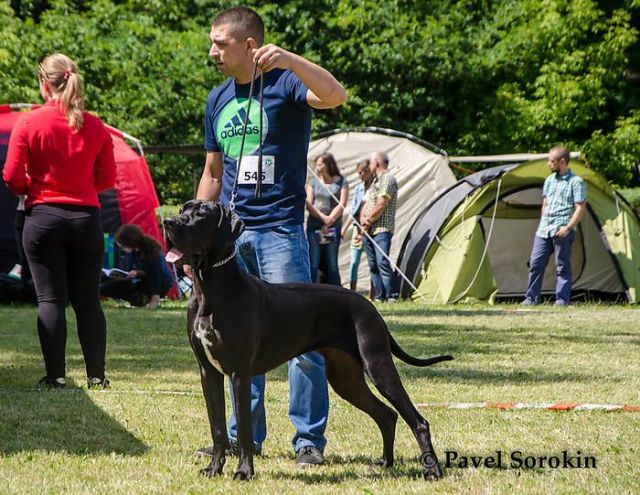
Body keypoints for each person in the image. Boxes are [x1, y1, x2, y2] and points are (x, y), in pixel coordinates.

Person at [193, 6, 346, 465]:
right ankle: (243, 439)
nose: (212, 51)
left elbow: (335, 95)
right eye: (212, 42)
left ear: (249, 45)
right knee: (235, 340)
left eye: (220, 43)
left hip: (280, 230)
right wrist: (195, 239)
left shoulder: (286, 84)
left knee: (303, 342)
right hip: (230, 241)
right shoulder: (217, 99)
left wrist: (291, 59)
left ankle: (308, 441)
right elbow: (212, 174)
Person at [3, 53, 116, 389]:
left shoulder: (29, 123)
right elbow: (107, 178)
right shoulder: (94, 125)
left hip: (43, 218)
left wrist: (32, 186)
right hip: (86, 218)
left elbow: (11, 178)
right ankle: (97, 375)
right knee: (88, 301)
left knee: (50, 299)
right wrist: (81, 188)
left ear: (44, 83)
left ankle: (56, 376)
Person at [522, 146, 586, 306]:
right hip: (544, 230)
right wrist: (543, 220)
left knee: (562, 266)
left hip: (562, 229)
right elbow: (545, 204)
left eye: (551, 161)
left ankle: (562, 300)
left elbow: (580, 208)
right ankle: (531, 298)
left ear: (562, 162)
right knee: (536, 263)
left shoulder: (576, 182)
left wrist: (568, 227)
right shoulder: (549, 180)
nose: (548, 164)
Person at [100, 224, 174, 309]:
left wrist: (155, 298)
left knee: (153, 274)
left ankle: (148, 299)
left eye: (122, 245)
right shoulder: (134, 252)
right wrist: (134, 273)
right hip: (140, 281)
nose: (121, 248)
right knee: (104, 286)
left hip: (157, 285)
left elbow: (156, 276)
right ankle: (138, 299)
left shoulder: (152, 253)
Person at [361, 151, 399, 302]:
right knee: (373, 265)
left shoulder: (388, 178)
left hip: (381, 228)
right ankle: (379, 296)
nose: (369, 166)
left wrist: (368, 220)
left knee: (382, 261)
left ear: (376, 162)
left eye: (370, 162)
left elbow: (382, 203)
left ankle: (392, 295)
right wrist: (364, 220)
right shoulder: (375, 181)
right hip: (369, 229)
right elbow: (368, 203)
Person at [305, 152, 349, 285]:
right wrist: (323, 218)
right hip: (315, 226)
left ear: (328, 165)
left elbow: (342, 203)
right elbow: (308, 203)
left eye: (320, 164)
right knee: (314, 261)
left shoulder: (341, 182)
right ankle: (310, 290)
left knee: (332, 262)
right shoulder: (313, 182)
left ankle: (336, 291)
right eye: (316, 165)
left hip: (333, 227)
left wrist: (330, 220)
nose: (317, 167)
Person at [341, 159, 374, 292]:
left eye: (361, 173)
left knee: (373, 263)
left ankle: (374, 293)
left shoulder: (375, 187)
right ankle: (352, 292)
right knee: (354, 262)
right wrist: (344, 229)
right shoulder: (359, 188)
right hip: (357, 228)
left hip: (371, 228)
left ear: (368, 172)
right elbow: (353, 210)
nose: (359, 176)